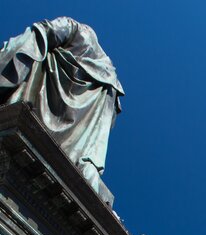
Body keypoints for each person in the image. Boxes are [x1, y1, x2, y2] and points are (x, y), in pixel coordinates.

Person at [0, 17, 124, 192]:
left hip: (31, 117)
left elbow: (41, 34)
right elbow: (105, 128)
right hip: (81, 162)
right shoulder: (113, 86)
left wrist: (6, 60)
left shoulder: (78, 29)